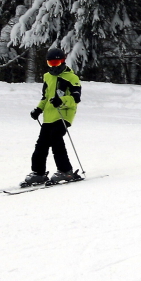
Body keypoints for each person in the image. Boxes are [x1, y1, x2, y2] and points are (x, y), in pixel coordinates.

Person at [21, 47, 83, 187]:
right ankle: (38, 173)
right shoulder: (48, 77)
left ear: (63, 62)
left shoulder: (72, 78)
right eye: (50, 64)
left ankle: (65, 170)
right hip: (49, 117)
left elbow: (76, 98)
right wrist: (38, 109)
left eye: (56, 63)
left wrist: (62, 100)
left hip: (64, 115)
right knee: (41, 144)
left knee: (56, 140)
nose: (53, 67)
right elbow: (45, 97)